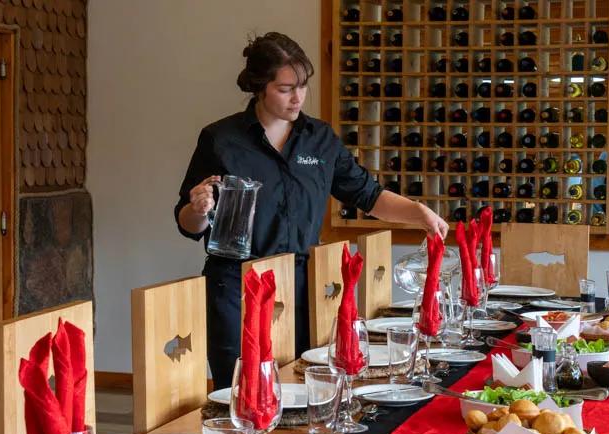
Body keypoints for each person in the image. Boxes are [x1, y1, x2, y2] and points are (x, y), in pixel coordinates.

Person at [175, 32, 448, 388]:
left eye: (303, 86)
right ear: (260, 87)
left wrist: (420, 213)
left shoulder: (320, 138)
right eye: (286, 88)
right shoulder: (221, 139)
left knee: (305, 388)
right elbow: (188, 223)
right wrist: (198, 207)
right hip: (237, 288)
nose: (298, 97)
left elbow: (369, 195)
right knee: (241, 392)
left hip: (304, 286)